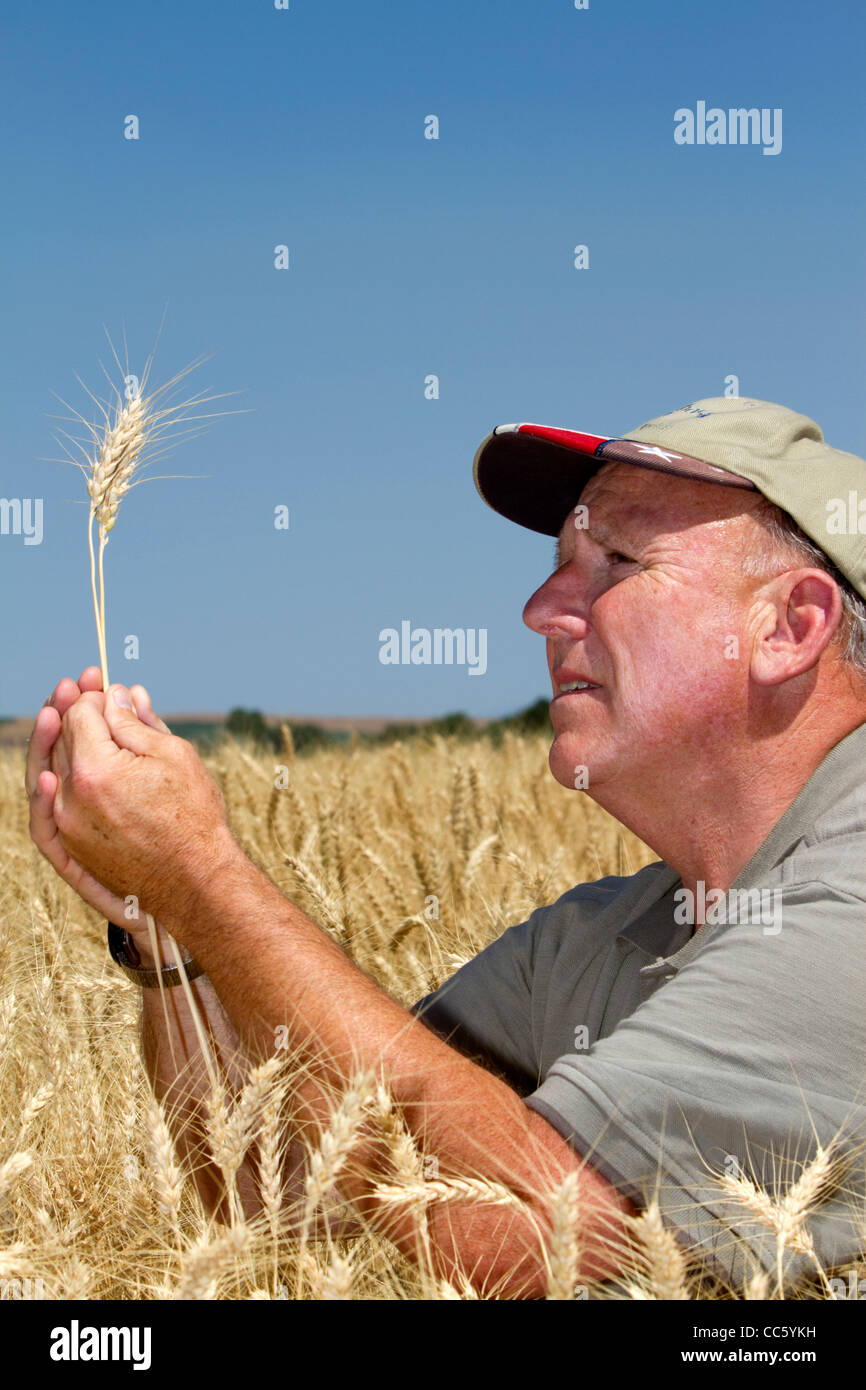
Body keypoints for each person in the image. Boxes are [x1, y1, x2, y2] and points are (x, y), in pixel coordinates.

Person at [26, 395, 866, 1297]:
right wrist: (169, 934)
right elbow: (292, 1200)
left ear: (790, 627)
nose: (541, 609)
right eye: (557, 567)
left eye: (617, 561)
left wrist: (205, 874)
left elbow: (527, 1241)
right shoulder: (594, 938)